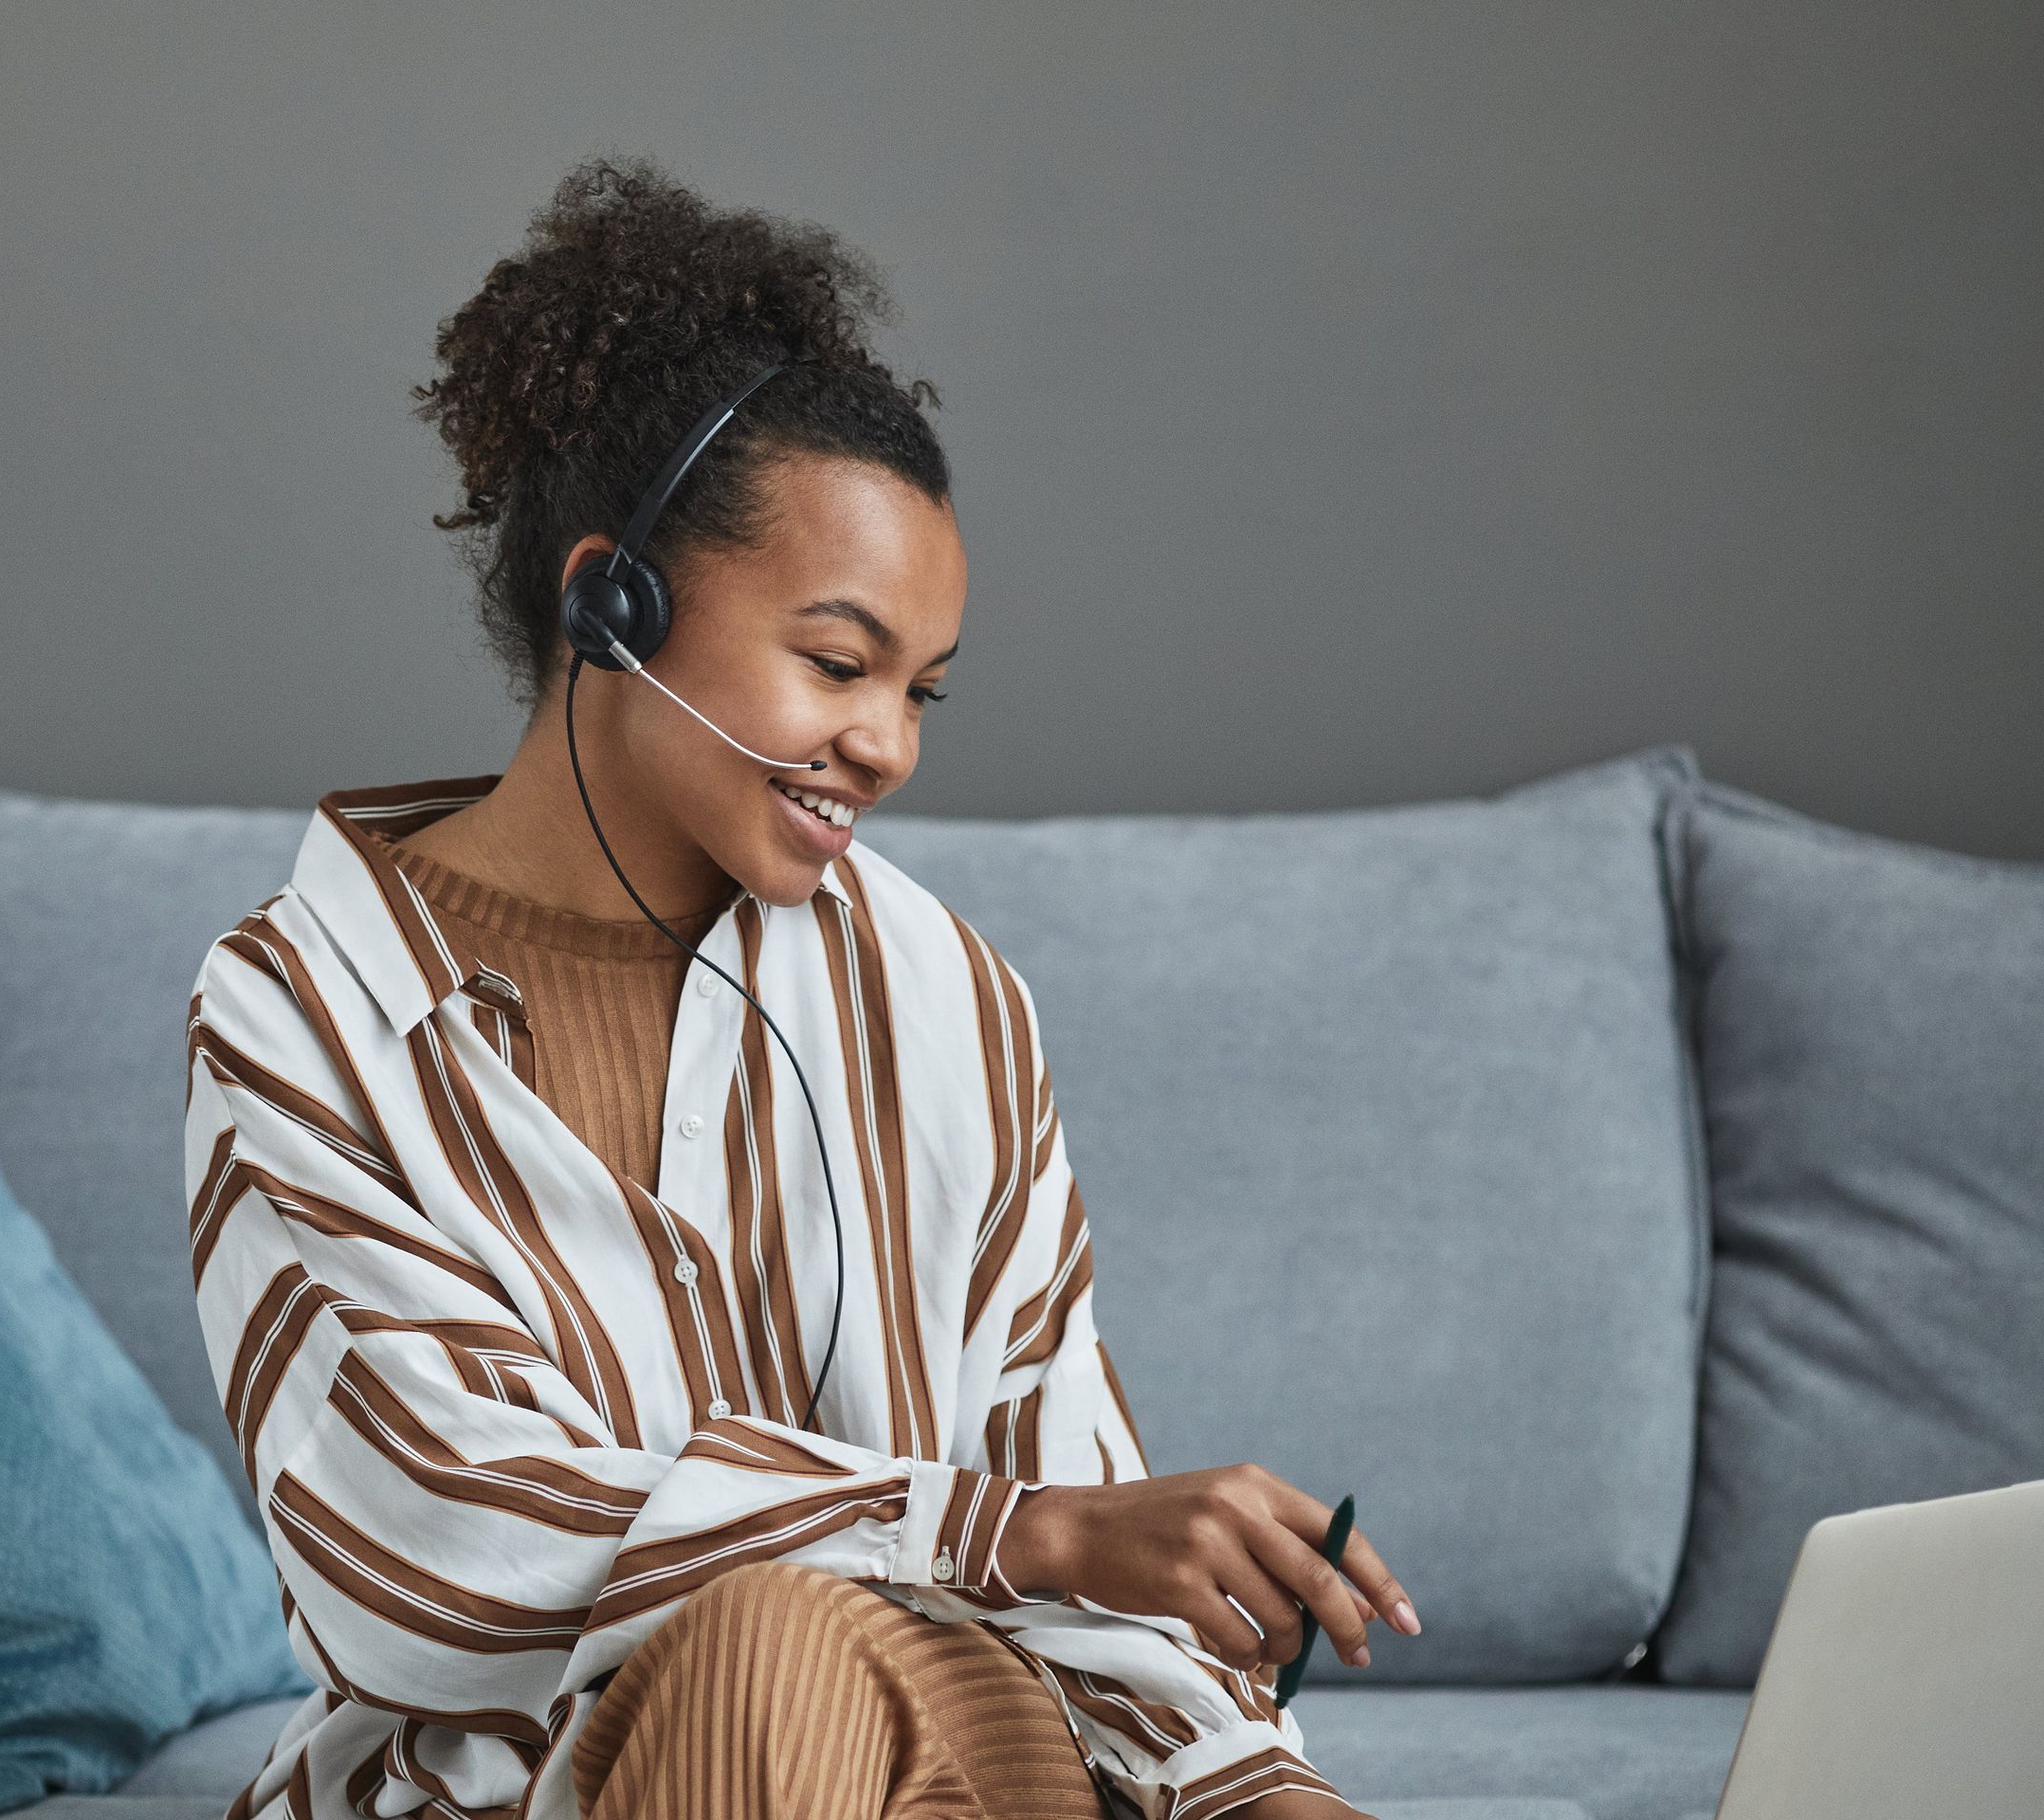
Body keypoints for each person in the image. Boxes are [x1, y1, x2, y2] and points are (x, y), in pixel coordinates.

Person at [179, 157, 1416, 1820]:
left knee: (809, 1646)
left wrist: (1260, 1794)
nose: (887, 747)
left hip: (953, 1754)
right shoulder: (295, 1006)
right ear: (611, 604)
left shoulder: (941, 993)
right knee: (769, 1641)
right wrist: (991, 1529)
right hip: (508, 1796)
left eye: (921, 692)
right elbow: (420, 1548)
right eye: (837, 665)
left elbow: (1088, 1516)